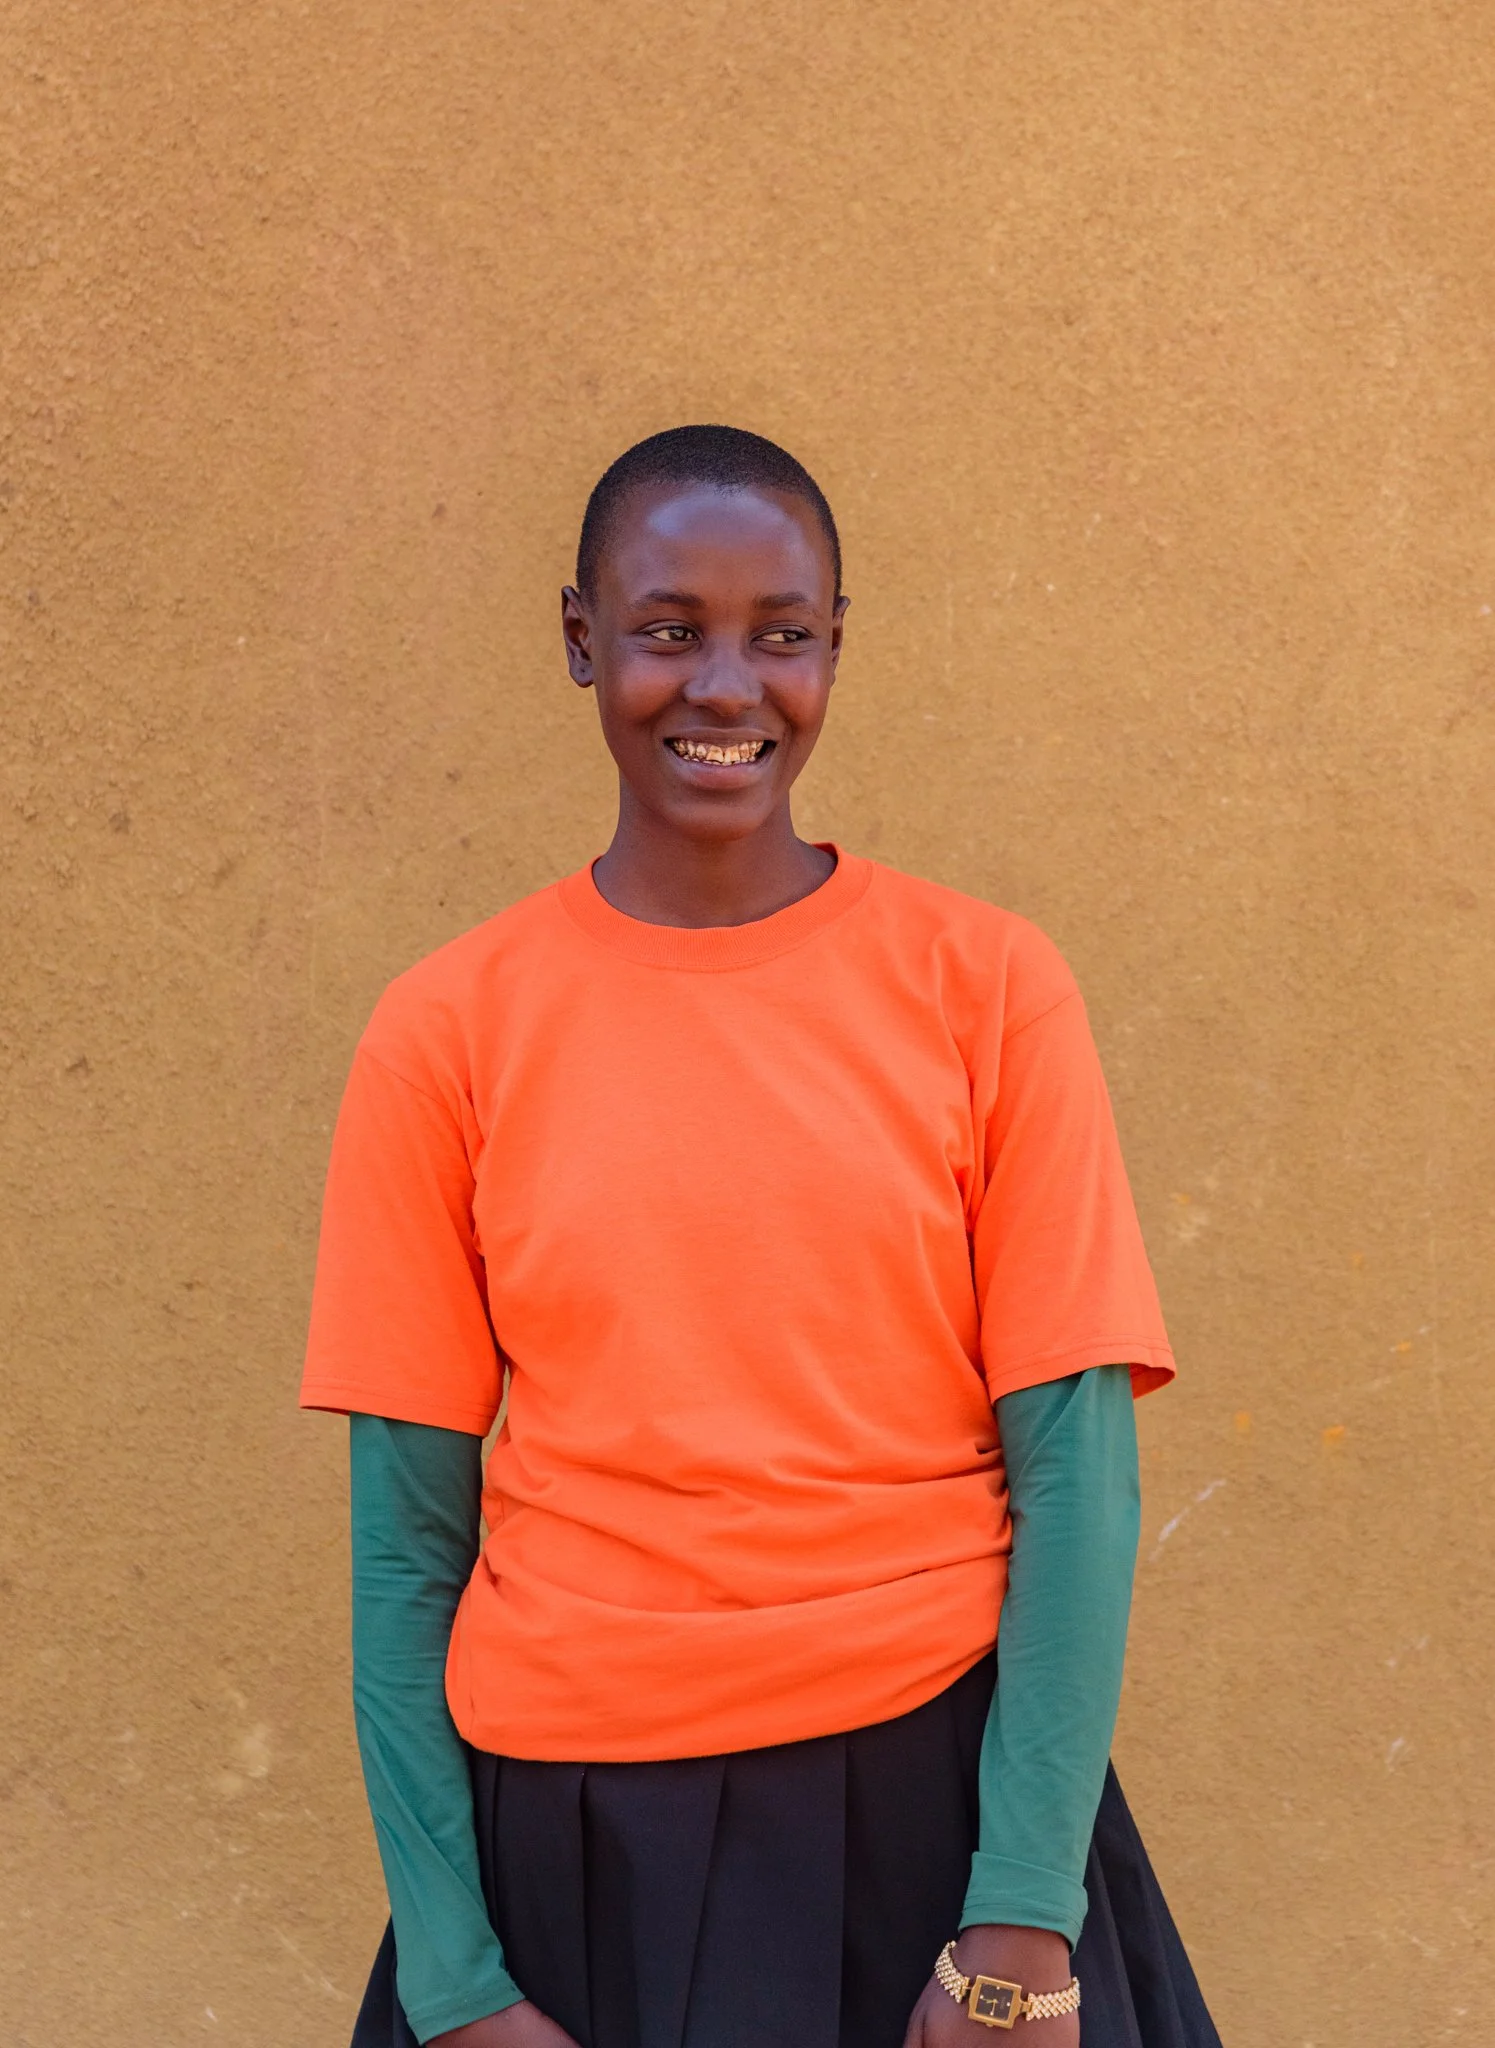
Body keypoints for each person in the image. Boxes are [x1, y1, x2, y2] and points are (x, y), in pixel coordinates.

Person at [301, 426, 1222, 2048]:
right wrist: (454, 1982)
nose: (725, 687)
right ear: (582, 639)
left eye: (779, 635)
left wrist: (1018, 1916)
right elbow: (404, 1551)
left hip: (939, 1818)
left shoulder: (989, 989)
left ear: (832, 650)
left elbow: (1076, 1474)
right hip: (569, 1852)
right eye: (667, 629)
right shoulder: (444, 1029)